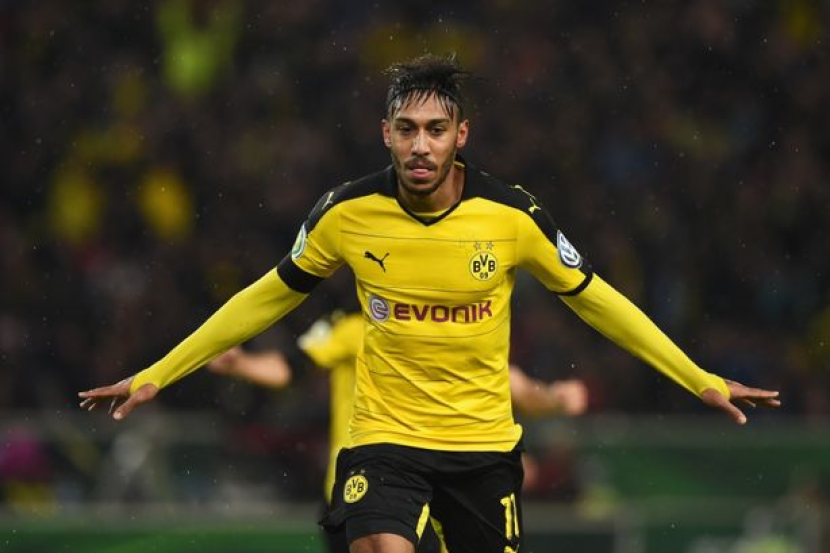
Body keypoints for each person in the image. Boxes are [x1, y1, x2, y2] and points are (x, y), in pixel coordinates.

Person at [79, 53, 780, 553]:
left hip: (482, 450)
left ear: (460, 136)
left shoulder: (513, 217)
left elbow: (599, 302)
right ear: (385, 132)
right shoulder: (345, 213)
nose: (421, 146)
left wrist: (698, 377)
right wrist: (159, 373)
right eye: (407, 129)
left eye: (435, 130)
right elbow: (264, 299)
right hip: (384, 442)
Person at [207, 310, 588, 553]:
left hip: (432, 490)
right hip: (360, 488)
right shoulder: (351, 328)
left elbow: (513, 385)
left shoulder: (454, 327)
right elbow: (290, 367)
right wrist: (241, 364)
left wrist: (554, 398)